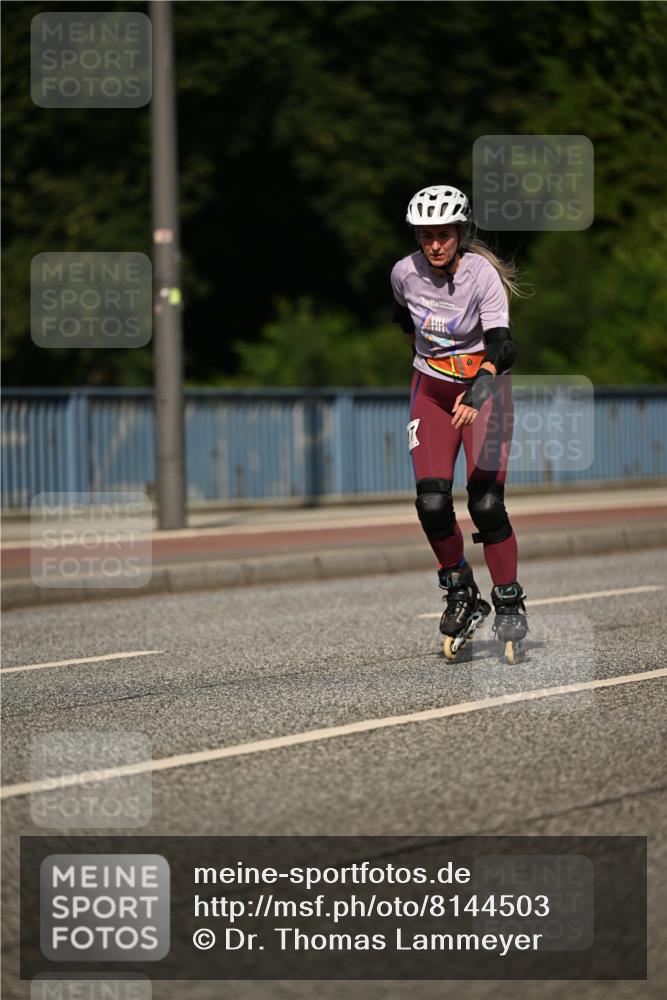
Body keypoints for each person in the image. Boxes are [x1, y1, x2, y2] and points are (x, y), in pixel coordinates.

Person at [391, 184, 528, 663]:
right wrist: (438, 372)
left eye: (443, 236)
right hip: (430, 391)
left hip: (484, 389)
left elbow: (503, 348)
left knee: (486, 502)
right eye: (426, 236)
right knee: (431, 502)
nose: (434, 245)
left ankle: (509, 598)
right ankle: (461, 591)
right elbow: (406, 326)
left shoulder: (482, 276)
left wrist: (475, 389)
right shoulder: (403, 273)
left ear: (461, 233)